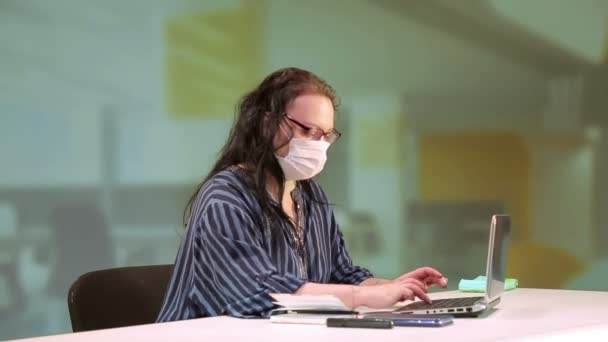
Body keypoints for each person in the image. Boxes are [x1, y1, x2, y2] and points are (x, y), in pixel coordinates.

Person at [157, 67, 447, 321]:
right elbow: (258, 293)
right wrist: (361, 298)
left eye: (326, 135)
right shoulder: (224, 197)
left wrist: (389, 287)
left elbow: (341, 274)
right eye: (308, 130)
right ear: (268, 123)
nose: (318, 145)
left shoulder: (311, 196)